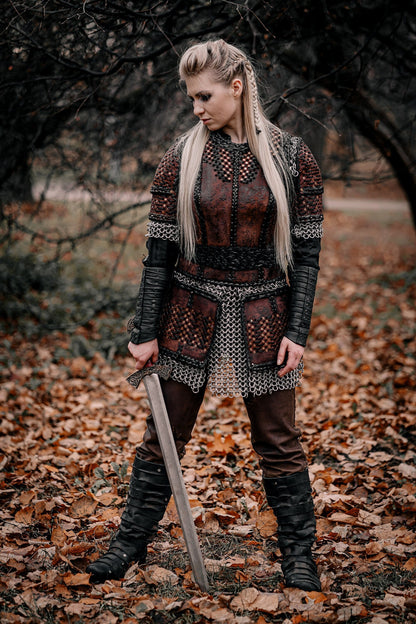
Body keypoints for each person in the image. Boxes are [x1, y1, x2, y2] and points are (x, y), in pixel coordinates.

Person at [87, 39, 323, 592]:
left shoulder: (293, 157)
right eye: (191, 97)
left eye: (204, 95)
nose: (196, 107)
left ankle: (299, 558)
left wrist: (298, 330)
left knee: (280, 440)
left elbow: (308, 254)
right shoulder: (181, 157)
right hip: (189, 311)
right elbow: (159, 254)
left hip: (267, 313)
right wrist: (145, 333)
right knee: (162, 436)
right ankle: (127, 545)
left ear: (236, 87)